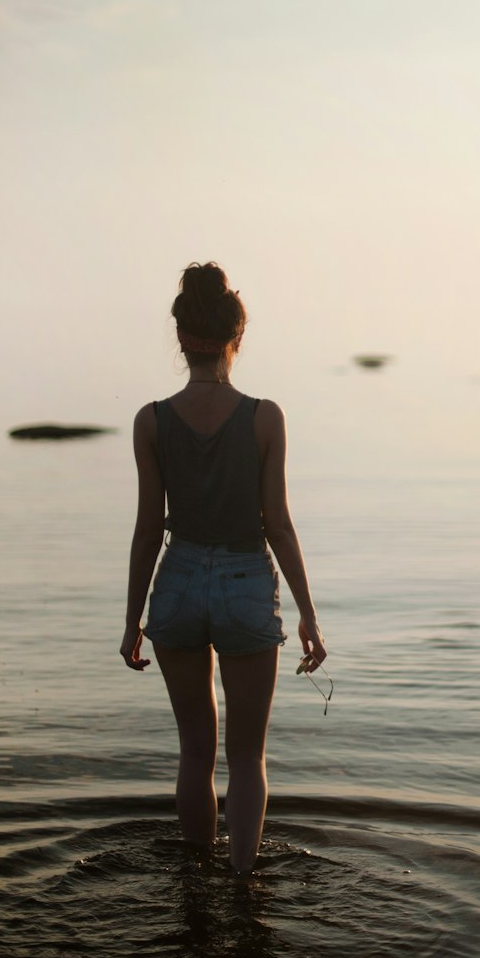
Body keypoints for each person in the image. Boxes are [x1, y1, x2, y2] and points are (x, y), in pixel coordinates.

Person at [120, 261, 327, 874]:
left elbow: (146, 528)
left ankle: (193, 887)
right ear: (237, 339)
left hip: (177, 585)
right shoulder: (265, 418)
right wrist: (309, 613)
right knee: (246, 759)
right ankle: (241, 889)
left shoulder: (150, 420)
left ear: (182, 338)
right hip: (243, 586)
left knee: (194, 754)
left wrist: (133, 621)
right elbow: (279, 523)